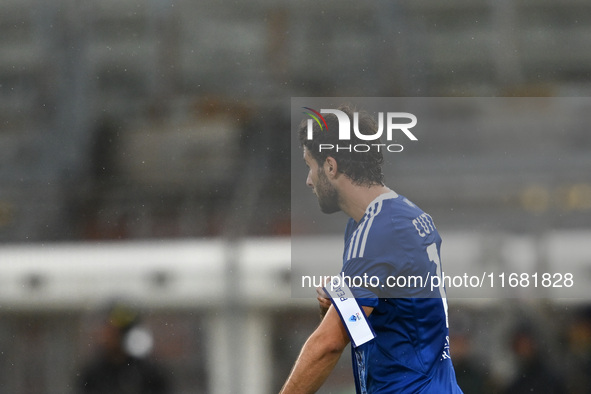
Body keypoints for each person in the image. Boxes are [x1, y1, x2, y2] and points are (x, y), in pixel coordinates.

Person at [280, 105, 462, 393]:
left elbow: (328, 345)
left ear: (330, 166)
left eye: (309, 166)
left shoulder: (379, 230)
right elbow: (362, 329)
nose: (308, 180)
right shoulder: (395, 216)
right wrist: (339, 302)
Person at [77, 302, 171, 394]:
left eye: (114, 332)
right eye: (107, 330)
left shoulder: (149, 374)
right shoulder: (93, 374)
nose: (107, 336)